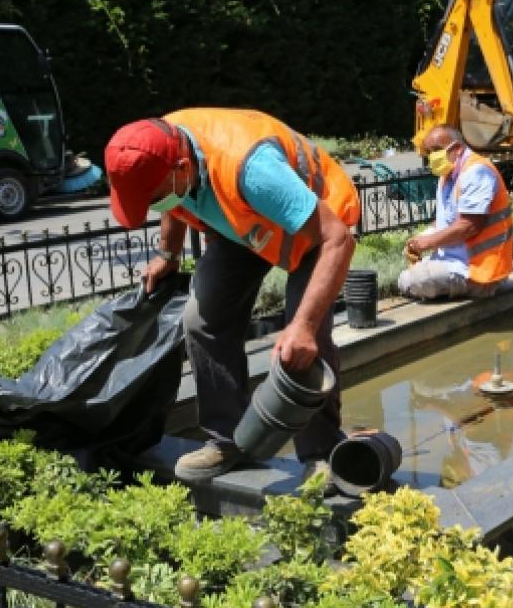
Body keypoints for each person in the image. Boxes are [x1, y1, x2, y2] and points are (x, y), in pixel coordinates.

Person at [104, 108, 359, 486]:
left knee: (305, 342)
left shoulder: (251, 170)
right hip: (242, 219)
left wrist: (302, 325)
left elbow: (337, 240)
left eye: (153, 196)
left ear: (183, 168)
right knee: (201, 320)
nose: (154, 205)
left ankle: (320, 452)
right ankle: (229, 442)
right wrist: (167, 254)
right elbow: (173, 202)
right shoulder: (159, 144)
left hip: (317, 227)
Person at [398, 125, 513, 300]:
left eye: (436, 150)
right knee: (406, 278)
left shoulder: (477, 172)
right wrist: (420, 238)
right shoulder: (447, 175)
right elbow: (445, 222)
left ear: (458, 148)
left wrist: (428, 242)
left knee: (413, 280)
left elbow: (469, 226)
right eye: (429, 152)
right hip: (455, 262)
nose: (432, 157)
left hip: (478, 271)